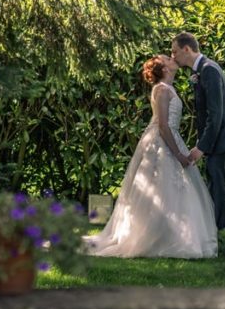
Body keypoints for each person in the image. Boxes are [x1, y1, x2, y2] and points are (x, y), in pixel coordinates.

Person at [86, 54, 217, 258]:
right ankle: (157, 238)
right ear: (163, 68)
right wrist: (179, 155)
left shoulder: (168, 88)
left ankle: (170, 235)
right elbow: (163, 126)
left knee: (171, 190)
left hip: (171, 138)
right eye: (168, 58)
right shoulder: (162, 90)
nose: (173, 58)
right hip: (162, 143)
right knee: (161, 188)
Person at [170, 32, 225, 231]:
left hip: (222, 141)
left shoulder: (209, 70)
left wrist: (201, 147)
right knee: (215, 190)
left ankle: (223, 239)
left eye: (175, 51)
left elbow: (215, 114)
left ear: (187, 49)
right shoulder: (202, 70)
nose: (173, 56)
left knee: (221, 192)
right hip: (216, 142)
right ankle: (216, 238)